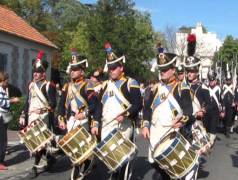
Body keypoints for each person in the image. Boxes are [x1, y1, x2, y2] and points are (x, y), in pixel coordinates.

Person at [141, 50, 194, 179]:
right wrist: (146, 125)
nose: (162, 72)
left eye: (165, 69)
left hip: (172, 134)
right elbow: (147, 109)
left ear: (173, 69)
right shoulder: (155, 89)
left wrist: (182, 121)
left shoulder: (182, 88)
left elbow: (188, 110)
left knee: (172, 171)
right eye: (161, 69)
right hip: (156, 134)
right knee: (156, 166)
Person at [97, 42, 142, 180]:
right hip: (107, 126)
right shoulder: (104, 85)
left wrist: (126, 114)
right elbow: (99, 106)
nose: (111, 70)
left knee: (121, 159)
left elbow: (137, 104)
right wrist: (94, 123)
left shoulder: (130, 83)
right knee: (110, 159)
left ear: (121, 67)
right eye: (110, 68)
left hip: (125, 126)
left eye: (114, 68)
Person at [57, 49, 100, 180]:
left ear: (82, 71)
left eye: (75, 69)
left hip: (84, 121)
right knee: (74, 151)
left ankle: (83, 168)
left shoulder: (88, 85)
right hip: (71, 120)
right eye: (71, 69)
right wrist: (61, 119)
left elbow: (94, 105)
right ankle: (83, 167)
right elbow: (61, 105)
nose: (72, 72)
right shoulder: (67, 86)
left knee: (81, 151)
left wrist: (85, 114)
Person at [18, 51, 57, 177]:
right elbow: (28, 102)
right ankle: (50, 158)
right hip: (31, 117)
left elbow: (53, 104)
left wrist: (42, 110)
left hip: (43, 119)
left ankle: (34, 168)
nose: (35, 74)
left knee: (38, 145)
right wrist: (23, 114)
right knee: (35, 143)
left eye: (38, 72)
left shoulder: (48, 86)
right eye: (34, 71)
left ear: (43, 73)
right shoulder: (31, 85)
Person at [0, 72, 19, 171]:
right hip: (1, 117)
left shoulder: (2, 89)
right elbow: (2, 103)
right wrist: (12, 101)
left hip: (3, 116)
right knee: (2, 141)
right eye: (6, 79)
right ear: (2, 80)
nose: (7, 81)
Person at [207, 69, 221, 144]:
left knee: (213, 125)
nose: (211, 82)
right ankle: (211, 136)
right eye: (210, 80)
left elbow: (221, 100)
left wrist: (222, 111)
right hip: (208, 110)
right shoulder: (206, 88)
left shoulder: (218, 89)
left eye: (212, 80)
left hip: (215, 110)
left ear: (215, 81)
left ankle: (211, 141)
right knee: (208, 125)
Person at [221, 67, 235, 138]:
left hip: (231, 105)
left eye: (229, 80)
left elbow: (236, 96)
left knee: (229, 118)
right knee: (224, 118)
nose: (228, 81)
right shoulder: (223, 87)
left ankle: (227, 131)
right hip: (224, 104)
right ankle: (225, 127)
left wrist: (235, 102)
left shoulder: (233, 87)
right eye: (227, 80)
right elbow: (221, 96)